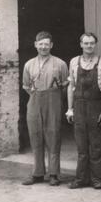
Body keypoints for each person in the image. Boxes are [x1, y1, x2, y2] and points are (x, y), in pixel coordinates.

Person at [22, 31, 69, 186]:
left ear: (51, 45)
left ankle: (54, 174)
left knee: (53, 136)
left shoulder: (60, 64)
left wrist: (52, 96)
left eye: (46, 44)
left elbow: (64, 85)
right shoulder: (29, 64)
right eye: (40, 44)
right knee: (35, 136)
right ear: (36, 45)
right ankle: (37, 173)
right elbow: (26, 86)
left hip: (53, 100)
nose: (43, 47)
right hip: (34, 99)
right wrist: (37, 95)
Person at [65, 32, 101, 189]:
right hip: (79, 107)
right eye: (86, 43)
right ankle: (81, 179)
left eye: (92, 43)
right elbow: (71, 86)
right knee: (82, 146)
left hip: (96, 106)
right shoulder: (74, 62)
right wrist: (70, 109)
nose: (89, 46)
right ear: (81, 44)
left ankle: (98, 179)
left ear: (95, 44)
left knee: (96, 145)